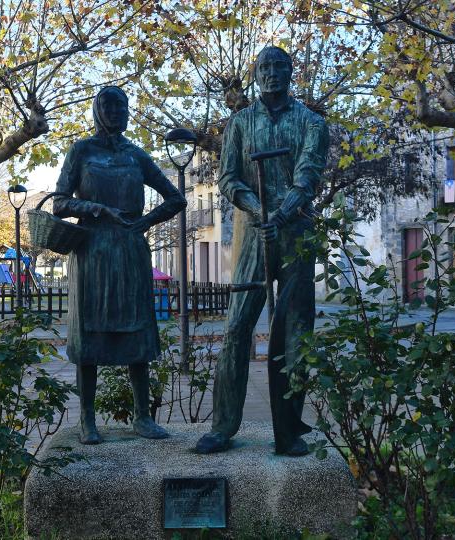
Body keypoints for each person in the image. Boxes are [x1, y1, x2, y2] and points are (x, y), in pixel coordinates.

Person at [193, 46, 329, 456]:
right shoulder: (240, 123)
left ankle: (288, 431)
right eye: (264, 67)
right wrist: (258, 209)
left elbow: (308, 175)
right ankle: (222, 427)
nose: (271, 73)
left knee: (295, 333)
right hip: (254, 234)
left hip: (296, 235)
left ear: (291, 71)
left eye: (279, 66)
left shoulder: (311, 122)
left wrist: (283, 213)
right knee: (237, 328)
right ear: (255, 75)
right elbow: (229, 178)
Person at [53, 86, 186, 444]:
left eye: (122, 105)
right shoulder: (81, 151)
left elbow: (176, 199)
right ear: (97, 111)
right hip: (93, 248)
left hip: (129, 248)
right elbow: (60, 203)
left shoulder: (136, 155)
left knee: (137, 330)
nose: (116, 111)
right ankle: (87, 420)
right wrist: (94, 208)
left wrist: (144, 223)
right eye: (108, 106)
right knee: (90, 334)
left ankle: (143, 417)